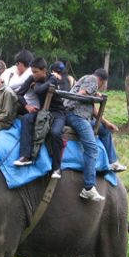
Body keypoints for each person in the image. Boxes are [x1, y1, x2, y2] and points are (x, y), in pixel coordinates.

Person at [13, 58, 72, 179]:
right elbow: (19, 94)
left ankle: (57, 168)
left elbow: (40, 89)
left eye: (35, 72)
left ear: (44, 70)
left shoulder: (52, 78)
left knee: (55, 133)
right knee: (26, 119)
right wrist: (27, 106)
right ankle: (26, 156)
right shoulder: (33, 78)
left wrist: (35, 86)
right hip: (43, 111)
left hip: (57, 112)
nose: (33, 75)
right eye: (32, 72)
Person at [63, 69, 109, 201]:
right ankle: (88, 187)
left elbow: (92, 106)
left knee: (103, 129)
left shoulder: (86, 78)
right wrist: (93, 92)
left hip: (77, 114)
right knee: (92, 148)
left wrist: (106, 123)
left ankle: (113, 161)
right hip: (77, 115)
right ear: (103, 81)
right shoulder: (93, 80)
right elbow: (82, 94)